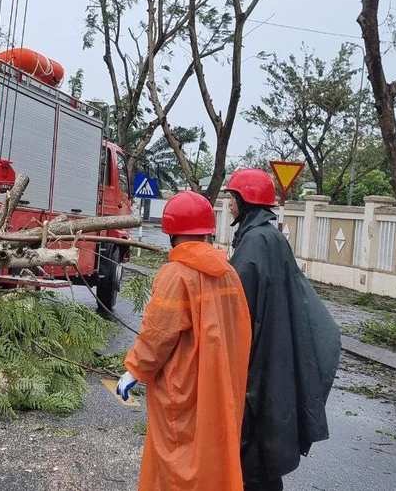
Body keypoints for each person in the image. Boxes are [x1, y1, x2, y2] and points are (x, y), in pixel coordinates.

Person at [116, 191, 252, 491]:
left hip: (183, 386)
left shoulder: (175, 274)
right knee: (213, 456)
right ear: (207, 231)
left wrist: (134, 371)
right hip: (220, 382)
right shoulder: (228, 273)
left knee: (177, 462)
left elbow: (158, 334)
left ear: (171, 232)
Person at [224, 168, 342, 491]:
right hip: (275, 351)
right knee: (264, 450)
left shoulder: (254, 242)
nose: (229, 204)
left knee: (251, 450)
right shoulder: (271, 236)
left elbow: (237, 310)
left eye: (232, 197)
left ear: (245, 200)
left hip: (259, 357)